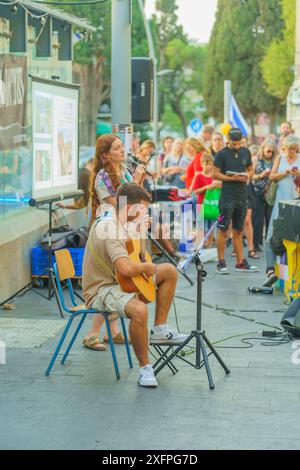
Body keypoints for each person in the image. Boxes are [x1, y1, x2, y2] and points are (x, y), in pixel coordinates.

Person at [82, 182, 187, 388]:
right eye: (142, 209)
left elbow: (136, 253)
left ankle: (159, 329)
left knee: (168, 271)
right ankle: (145, 369)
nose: (145, 213)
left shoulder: (122, 223)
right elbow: (126, 269)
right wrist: (146, 267)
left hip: (118, 282)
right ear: (129, 209)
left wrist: (139, 230)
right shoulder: (110, 229)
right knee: (139, 310)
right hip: (101, 288)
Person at [84, 134, 146, 351]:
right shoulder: (103, 177)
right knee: (112, 278)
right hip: (109, 229)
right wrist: (138, 181)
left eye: (122, 147)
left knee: (117, 280)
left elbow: (136, 199)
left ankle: (114, 332)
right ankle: (92, 334)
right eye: (117, 148)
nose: (123, 151)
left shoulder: (125, 170)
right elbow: (122, 204)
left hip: (123, 228)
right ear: (105, 154)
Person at [213, 128, 259, 274]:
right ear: (228, 140)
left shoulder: (246, 152)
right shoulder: (221, 154)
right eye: (234, 143)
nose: (237, 146)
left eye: (239, 143)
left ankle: (240, 262)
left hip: (242, 195)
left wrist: (247, 175)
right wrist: (230, 178)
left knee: (238, 230)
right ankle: (221, 262)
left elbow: (251, 169)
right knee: (223, 229)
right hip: (227, 196)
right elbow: (215, 174)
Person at [264, 135, 300, 281]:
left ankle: (287, 275)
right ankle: (270, 270)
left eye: (294, 148)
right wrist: (283, 173)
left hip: (296, 203)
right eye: (289, 148)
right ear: (284, 148)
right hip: (280, 200)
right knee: (270, 236)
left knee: (291, 240)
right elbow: (272, 176)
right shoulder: (280, 158)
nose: (291, 151)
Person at [252, 140, 277, 252]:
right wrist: (261, 175)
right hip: (257, 192)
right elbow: (251, 176)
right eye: (268, 151)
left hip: (271, 193)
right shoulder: (256, 160)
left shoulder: (276, 161)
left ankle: (268, 242)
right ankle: (256, 243)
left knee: (269, 218)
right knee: (257, 219)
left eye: (272, 152)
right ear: (263, 149)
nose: (270, 154)